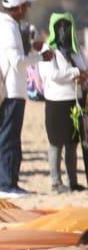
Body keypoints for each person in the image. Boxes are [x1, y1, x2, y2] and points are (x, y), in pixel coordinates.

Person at [0, 0, 44, 198]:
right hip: (11, 91)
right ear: (20, 7)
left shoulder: (4, 25)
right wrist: (41, 58)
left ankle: (10, 183)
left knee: (11, 138)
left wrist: (32, 48)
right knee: (8, 138)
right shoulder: (7, 27)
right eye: (27, 5)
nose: (28, 9)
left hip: (12, 90)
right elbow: (16, 61)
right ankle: (5, 185)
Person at [38, 13, 88, 193]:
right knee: (56, 143)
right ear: (52, 27)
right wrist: (76, 73)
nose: (62, 29)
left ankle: (72, 182)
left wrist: (83, 76)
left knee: (72, 143)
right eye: (58, 26)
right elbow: (53, 75)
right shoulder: (47, 49)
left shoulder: (77, 48)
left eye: (66, 25)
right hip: (56, 103)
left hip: (76, 101)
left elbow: (85, 68)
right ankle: (56, 182)